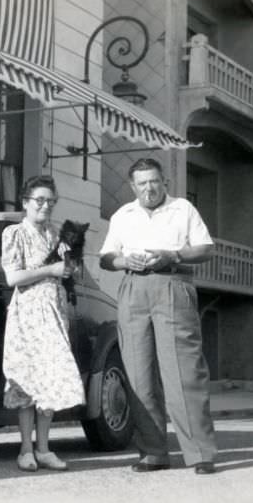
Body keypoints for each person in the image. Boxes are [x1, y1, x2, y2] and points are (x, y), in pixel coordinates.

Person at [98, 158, 217, 475]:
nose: (149, 188)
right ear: (132, 186)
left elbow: (206, 248)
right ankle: (153, 452)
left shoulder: (183, 209)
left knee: (184, 372)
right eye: (142, 183)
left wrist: (173, 254)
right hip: (133, 289)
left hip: (172, 285)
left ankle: (200, 453)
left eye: (154, 181)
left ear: (164, 181)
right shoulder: (123, 214)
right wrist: (124, 260)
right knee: (138, 374)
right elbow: (106, 258)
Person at [1, 175, 85, 472]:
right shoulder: (14, 233)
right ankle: (25, 450)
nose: (45, 206)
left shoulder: (58, 234)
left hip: (55, 310)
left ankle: (44, 448)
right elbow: (13, 277)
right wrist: (51, 268)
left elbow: (72, 272)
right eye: (40, 200)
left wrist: (71, 265)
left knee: (51, 377)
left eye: (51, 201)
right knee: (27, 378)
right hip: (27, 313)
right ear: (25, 202)